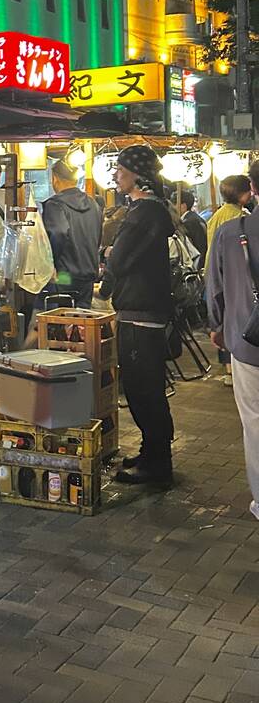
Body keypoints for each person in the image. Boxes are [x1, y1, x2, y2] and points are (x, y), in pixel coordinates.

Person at [99, 145, 175, 488]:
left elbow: (118, 261)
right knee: (144, 387)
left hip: (141, 313)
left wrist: (109, 251)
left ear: (137, 174)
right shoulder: (152, 211)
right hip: (144, 309)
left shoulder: (143, 212)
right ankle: (151, 453)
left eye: (120, 169)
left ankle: (157, 463)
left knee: (143, 389)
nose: (115, 175)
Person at [207, 159, 259, 522]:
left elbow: (215, 288)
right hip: (243, 340)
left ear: (253, 188)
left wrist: (216, 326)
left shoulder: (231, 232)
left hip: (247, 340)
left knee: (254, 422)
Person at [206, 174, 250, 383]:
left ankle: (228, 368)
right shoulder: (238, 219)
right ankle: (231, 367)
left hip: (215, 271)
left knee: (225, 318)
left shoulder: (217, 215)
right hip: (235, 276)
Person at [41, 160, 102, 308]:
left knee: (57, 322)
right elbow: (99, 236)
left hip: (64, 276)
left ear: (54, 178)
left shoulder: (55, 205)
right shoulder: (93, 203)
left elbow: (58, 232)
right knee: (81, 323)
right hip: (88, 275)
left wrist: (51, 264)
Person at [207, 175, 251, 269]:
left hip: (215, 265)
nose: (252, 193)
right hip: (233, 268)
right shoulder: (239, 216)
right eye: (249, 190)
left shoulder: (218, 214)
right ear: (240, 193)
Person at [178, 189, 208, 270]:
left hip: (198, 264)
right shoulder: (196, 218)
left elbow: (196, 247)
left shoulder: (188, 222)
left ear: (183, 206)